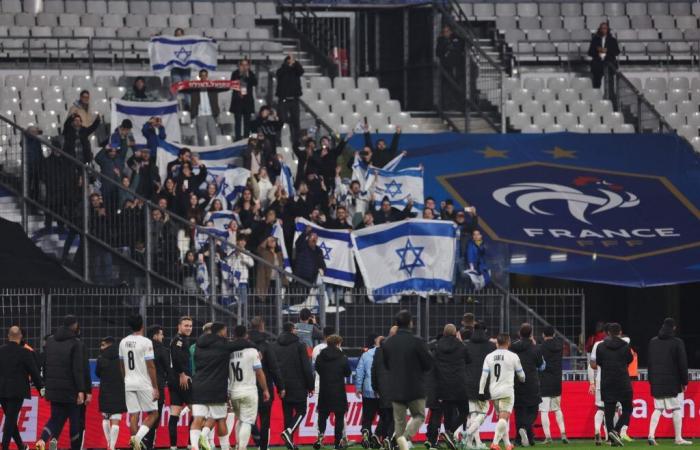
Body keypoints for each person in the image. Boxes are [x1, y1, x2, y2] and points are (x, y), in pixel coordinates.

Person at [190, 323, 256, 450]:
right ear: (221, 331)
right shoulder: (223, 344)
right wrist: (255, 346)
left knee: (198, 418)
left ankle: (194, 445)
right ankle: (225, 447)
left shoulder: (198, 344)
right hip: (216, 387)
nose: (226, 333)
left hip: (198, 385)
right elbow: (242, 343)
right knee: (220, 419)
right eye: (225, 331)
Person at [381, 310, 433, 450]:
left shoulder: (387, 343)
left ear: (396, 324)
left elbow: (387, 365)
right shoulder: (417, 341)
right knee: (419, 416)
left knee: (399, 422)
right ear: (411, 323)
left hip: (396, 388)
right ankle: (405, 437)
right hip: (415, 388)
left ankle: (400, 443)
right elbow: (428, 364)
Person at [36, 315, 87, 450]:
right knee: (74, 422)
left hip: (54, 389)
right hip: (71, 390)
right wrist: (81, 390)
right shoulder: (76, 343)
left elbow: (46, 365)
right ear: (75, 326)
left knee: (55, 418)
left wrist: (47, 384)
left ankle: (42, 440)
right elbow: (77, 369)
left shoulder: (51, 341)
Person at [647, 318, 691, 446]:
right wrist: (685, 381)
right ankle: (678, 438)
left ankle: (651, 435)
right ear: (674, 328)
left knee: (658, 408)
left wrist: (651, 379)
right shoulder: (677, 342)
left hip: (657, 381)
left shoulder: (653, 342)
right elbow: (682, 364)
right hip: (673, 382)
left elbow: (650, 362)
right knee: (676, 408)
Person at [119, 314, 159, 450]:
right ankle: (136, 439)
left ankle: (134, 445)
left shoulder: (123, 342)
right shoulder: (146, 342)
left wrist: (126, 379)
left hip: (129, 382)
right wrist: (155, 387)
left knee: (134, 415)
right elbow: (151, 366)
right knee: (154, 413)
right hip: (144, 383)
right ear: (142, 325)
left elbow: (122, 364)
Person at [478, 333, 525, 450]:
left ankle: (508, 444)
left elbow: (484, 376)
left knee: (502, 419)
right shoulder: (513, 356)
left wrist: (481, 391)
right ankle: (495, 443)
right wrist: (521, 379)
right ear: (508, 343)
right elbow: (522, 376)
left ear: (496, 343)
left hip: (494, 392)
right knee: (503, 419)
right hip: (507, 392)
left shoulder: (489, 356)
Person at [589, 323, 633, 447]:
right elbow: (629, 360)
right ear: (620, 332)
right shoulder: (625, 345)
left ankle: (611, 435)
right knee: (628, 408)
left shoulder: (600, 346)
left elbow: (598, 363)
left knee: (608, 412)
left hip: (607, 381)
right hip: (623, 381)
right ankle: (616, 430)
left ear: (608, 332)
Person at [0, 326, 43, 450]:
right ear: (20, 337)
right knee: (11, 419)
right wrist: (41, 389)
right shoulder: (25, 352)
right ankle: (5, 446)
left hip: (2, 390)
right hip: (17, 391)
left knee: (10, 418)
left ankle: (21, 446)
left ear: (8, 336)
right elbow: (34, 372)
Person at [228, 325, 271, 450]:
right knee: (247, 421)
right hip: (249, 391)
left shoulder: (230, 353)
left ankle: (237, 446)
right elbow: (259, 372)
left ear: (234, 336)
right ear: (246, 335)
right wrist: (265, 389)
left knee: (240, 419)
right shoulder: (253, 351)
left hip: (234, 391)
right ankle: (242, 447)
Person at [273, 322, 314, 450]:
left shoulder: (275, 346)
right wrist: (310, 385)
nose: (297, 330)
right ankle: (289, 432)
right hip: (298, 384)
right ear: (292, 330)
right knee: (301, 411)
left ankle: (289, 443)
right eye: (295, 328)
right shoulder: (299, 346)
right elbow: (306, 368)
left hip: (282, 385)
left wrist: (279, 385)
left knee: (287, 414)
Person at [430, 324, 470, 450]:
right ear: (455, 333)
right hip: (459, 385)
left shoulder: (437, 346)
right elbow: (469, 360)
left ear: (444, 332)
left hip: (443, 385)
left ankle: (449, 435)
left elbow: (433, 363)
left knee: (448, 413)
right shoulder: (461, 346)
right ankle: (450, 433)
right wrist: (461, 341)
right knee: (464, 411)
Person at [248, 317, 286, 450]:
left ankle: (246, 443)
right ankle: (263, 446)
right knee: (265, 420)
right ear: (262, 326)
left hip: (246, 386)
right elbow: (274, 368)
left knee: (247, 419)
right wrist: (281, 386)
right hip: (264, 387)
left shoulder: (244, 345)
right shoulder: (266, 345)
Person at [313, 335, 351, 450]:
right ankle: (337, 442)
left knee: (322, 415)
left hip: (324, 390)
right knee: (339, 417)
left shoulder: (320, 357)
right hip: (338, 391)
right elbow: (348, 373)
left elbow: (318, 369)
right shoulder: (343, 357)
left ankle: (320, 436)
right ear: (338, 343)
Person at [510, 323, 545, 447]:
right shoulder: (535, 348)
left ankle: (522, 439)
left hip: (515, 382)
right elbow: (541, 367)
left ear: (520, 333)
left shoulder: (512, 347)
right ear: (531, 334)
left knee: (519, 412)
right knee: (533, 410)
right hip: (531, 382)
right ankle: (524, 430)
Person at [463, 322, 496, 449]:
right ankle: (471, 438)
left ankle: (471, 443)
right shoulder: (491, 347)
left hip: (469, 383)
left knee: (472, 414)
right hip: (485, 384)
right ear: (485, 330)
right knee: (482, 412)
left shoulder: (466, 346)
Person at [95, 336, 127, 450]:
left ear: (108, 344)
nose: (101, 347)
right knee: (116, 418)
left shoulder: (101, 358)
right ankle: (112, 446)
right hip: (119, 389)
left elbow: (97, 373)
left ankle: (109, 444)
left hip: (105, 390)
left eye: (103, 345)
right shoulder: (122, 357)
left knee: (105, 417)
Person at [538, 326, 567, 444]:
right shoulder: (560, 345)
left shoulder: (541, 347)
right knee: (557, 409)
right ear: (554, 334)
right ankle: (563, 434)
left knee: (544, 411)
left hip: (544, 380)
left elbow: (539, 362)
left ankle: (548, 437)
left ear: (543, 335)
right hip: (556, 381)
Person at [143, 325, 171, 450]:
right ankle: (147, 444)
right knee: (155, 417)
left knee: (147, 415)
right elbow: (167, 369)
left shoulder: (142, 349)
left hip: (143, 386)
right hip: (157, 387)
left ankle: (144, 442)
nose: (163, 336)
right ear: (155, 335)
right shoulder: (162, 350)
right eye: (161, 334)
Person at [169, 316, 194, 450]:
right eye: (186, 325)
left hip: (173, 381)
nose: (189, 328)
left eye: (190, 325)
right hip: (182, 380)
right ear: (179, 326)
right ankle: (191, 444)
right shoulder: (179, 340)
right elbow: (177, 358)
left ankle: (173, 447)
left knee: (174, 414)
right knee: (196, 413)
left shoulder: (180, 339)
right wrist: (182, 374)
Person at [355, 334, 383, 449]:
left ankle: (366, 431)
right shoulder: (386, 354)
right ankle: (376, 435)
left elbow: (359, 372)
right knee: (385, 417)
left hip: (368, 390)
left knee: (367, 417)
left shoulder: (365, 354)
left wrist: (358, 388)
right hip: (382, 391)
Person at [371, 328, 397, 449]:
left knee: (386, 415)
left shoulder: (378, 351)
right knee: (396, 417)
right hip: (397, 389)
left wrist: (376, 387)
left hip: (382, 389)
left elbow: (374, 371)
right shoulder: (400, 350)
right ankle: (388, 438)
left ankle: (378, 435)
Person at [275, 53, 304, 146]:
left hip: (294, 100)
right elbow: (279, 73)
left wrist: (295, 63)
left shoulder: (296, 70)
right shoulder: (282, 70)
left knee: (296, 121)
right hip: (283, 99)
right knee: (281, 120)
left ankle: (296, 141)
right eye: (289, 61)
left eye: (292, 61)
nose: (291, 63)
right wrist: (288, 65)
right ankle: (278, 140)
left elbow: (301, 71)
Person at [190, 69, 221, 146]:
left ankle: (214, 152)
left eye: (205, 75)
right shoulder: (195, 88)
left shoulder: (212, 87)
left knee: (213, 136)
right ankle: (202, 153)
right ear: (199, 76)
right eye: (202, 75)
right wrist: (193, 115)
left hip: (211, 114)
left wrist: (217, 113)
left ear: (207, 76)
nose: (203, 77)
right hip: (200, 115)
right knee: (201, 137)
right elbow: (193, 102)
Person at [230, 59, 258, 141]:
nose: (244, 66)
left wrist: (248, 75)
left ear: (249, 66)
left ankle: (246, 140)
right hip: (238, 102)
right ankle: (238, 139)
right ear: (239, 65)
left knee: (247, 123)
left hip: (247, 102)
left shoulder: (251, 73)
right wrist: (240, 74)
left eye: (246, 65)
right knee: (238, 122)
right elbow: (232, 84)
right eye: (242, 65)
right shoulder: (235, 73)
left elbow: (255, 83)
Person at [587, 22, 620, 90]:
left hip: (609, 64)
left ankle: (611, 97)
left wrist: (607, 51)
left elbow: (617, 51)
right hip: (597, 64)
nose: (603, 30)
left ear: (608, 29)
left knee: (610, 84)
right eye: (602, 28)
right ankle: (596, 96)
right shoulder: (595, 40)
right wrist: (598, 52)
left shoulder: (612, 40)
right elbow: (590, 52)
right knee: (596, 83)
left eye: (605, 28)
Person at [171, 27, 192, 108]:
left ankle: (188, 106)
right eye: (177, 35)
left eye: (180, 35)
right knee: (176, 87)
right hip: (175, 68)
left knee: (186, 87)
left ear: (183, 35)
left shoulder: (188, 44)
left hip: (186, 68)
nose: (178, 36)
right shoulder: (171, 44)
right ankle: (174, 106)